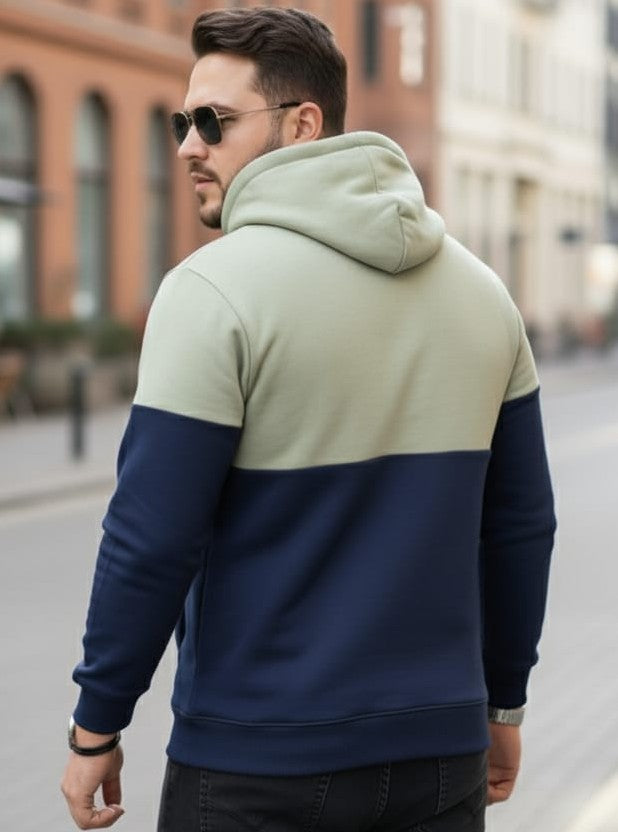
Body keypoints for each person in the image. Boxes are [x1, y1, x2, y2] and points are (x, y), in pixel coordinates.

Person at [61, 7, 556, 832]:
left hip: (257, 763)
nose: (187, 146)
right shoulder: (484, 296)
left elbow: (151, 538)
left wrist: (96, 725)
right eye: (183, 124)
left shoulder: (211, 291)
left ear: (302, 124)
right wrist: (503, 702)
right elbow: (521, 527)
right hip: (439, 759)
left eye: (213, 122)